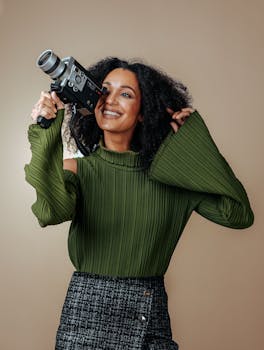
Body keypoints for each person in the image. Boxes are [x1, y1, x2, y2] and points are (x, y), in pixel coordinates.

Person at [25, 57, 254, 350]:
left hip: (152, 317)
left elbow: (238, 214)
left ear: (145, 112)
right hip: (87, 321)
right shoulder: (78, 169)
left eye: (126, 93)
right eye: (103, 90)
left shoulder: (173, 176)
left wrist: (195, 139)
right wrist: (47, 130)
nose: (109, 100)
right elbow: (50, 211)